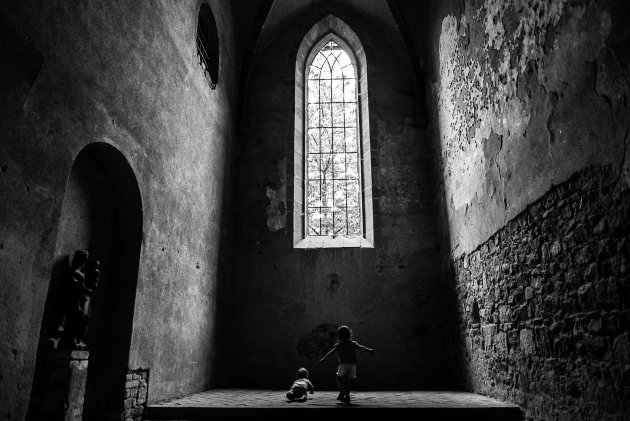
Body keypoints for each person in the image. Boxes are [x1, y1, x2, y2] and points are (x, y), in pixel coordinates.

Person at [318, 325, 373, 403]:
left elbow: (330, 353)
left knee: (339, 379)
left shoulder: (339, 345)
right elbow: (362, 348)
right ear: (349, 334)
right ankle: (347, 396)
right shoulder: (353, 344)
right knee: (348, 382)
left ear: (339, 335)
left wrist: (323, 359)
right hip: (352, 365)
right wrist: (369, 350)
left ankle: (343, 390)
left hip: (343, 364)